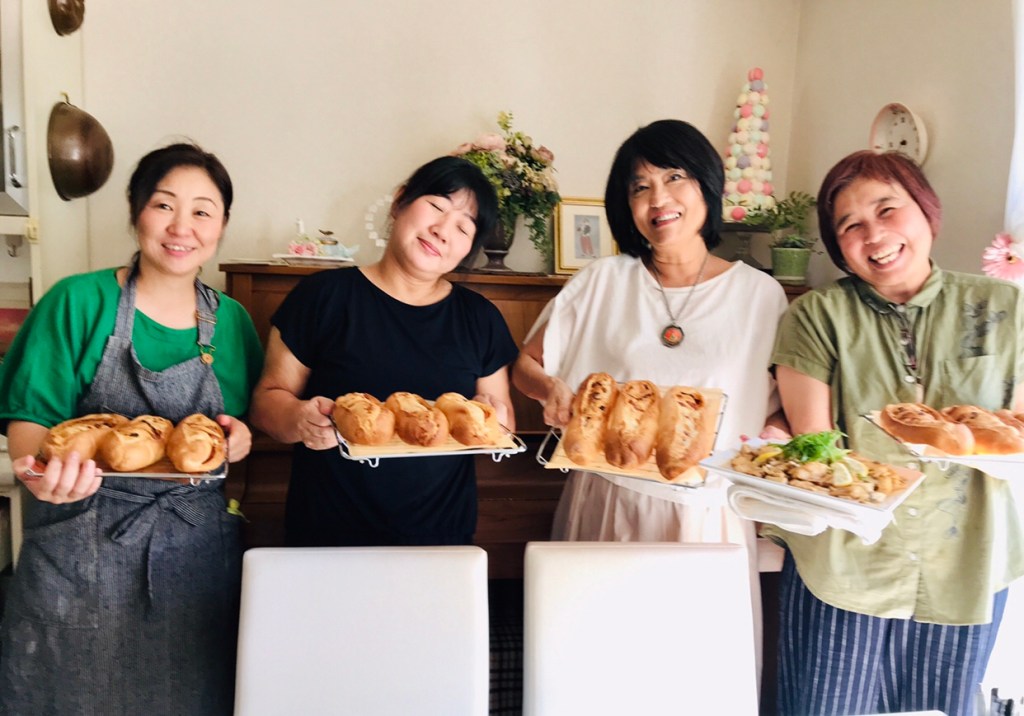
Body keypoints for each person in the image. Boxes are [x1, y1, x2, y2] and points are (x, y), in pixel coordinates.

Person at [512, 118, 789, 679]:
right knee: (598, 669)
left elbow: (779, 404)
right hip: (607, 500)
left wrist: (776, 440)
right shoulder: (601, 281)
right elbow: (526, 365)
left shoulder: (761, 294)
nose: (658, 199)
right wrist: (551, 390)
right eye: (640, 187)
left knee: (692, 675)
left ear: (707, 184)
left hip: (708, 514)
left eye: (674, 177)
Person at [0, 142, 265, 714]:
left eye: (202, 211)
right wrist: (42, 473)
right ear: (136, 210)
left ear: (221, 224)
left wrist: (239, 438)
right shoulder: (77, 301)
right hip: (81, 542)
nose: (181, 227)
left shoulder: (233, 323)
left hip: (194, 557)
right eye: (163, 205)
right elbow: (30, 421)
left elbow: (236, 426)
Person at [769, 149, 1024, 716]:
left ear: (926, 210)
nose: (874, 235)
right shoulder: (816, 316)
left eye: (887, 210)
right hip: (844, 564)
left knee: (939, 709)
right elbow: (816, 448)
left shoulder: (1005, 308)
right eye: (850, 225)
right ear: (838, 247)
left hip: (967, 559)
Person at [249, 155, 517, 547]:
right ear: (399, 202)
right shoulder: (323, 297)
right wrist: (299, 419)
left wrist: (497, 420)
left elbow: (501, 418)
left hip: (440, 537)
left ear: (468, 249)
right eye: (436, 206)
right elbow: (265, 402)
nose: (443, 230)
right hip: (327, 532)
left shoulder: (480, 318)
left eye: (463, 227)